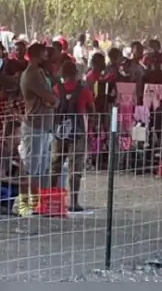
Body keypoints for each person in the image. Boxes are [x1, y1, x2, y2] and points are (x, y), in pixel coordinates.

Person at [18, 43, 58, 216]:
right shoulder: (32, 74)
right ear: (35, 56)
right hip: (35, 126)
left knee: (41, 168)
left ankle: (38, 204)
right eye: (43, 55)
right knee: (30, 168)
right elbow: (50, 97)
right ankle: (24, 204)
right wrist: (54, 100)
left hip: (44, 126)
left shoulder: (41, 73)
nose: (46, 57)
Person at [50, 61, 95, 212]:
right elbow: (92, 109)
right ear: (75, 73)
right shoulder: (83, 90)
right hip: (77, 132)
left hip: (59, 132)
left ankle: (51, 198)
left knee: (55, 165)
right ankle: (74, 201)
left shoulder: (56, 89)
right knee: (75, 167)